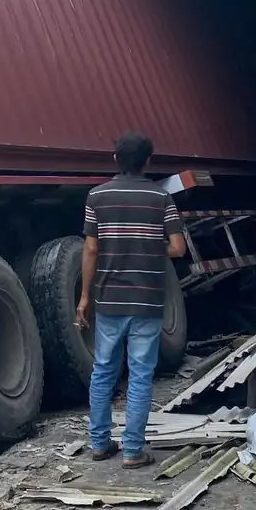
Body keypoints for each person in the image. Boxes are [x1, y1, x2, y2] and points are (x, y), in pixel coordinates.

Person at [76, 131, 187, 468]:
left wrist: (83, 299)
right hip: (147, 300)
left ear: (115, 160)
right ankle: (133, 451)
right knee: (140, 375)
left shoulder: (97, 197)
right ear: (148, 161)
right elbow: (178, 248)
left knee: (103, 371)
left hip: (109, 299)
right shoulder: (161, 198)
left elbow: (92, 248)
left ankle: (98, 443)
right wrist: (149, 247)